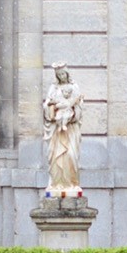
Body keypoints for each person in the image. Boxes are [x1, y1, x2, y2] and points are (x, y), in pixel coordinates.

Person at [43, 62, 83, 194]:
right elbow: (47, 105)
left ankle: (72, 183)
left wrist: (72, 109)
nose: (61, 76)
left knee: (71, 155)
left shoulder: (74, 87)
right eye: (59, 74)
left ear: (67, 74)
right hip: (56, 129)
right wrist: (52, 108)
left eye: (63, 74)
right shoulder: (53, 88)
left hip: (70, 129)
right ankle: (57, 183)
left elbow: (79, 106)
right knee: (56, 158)